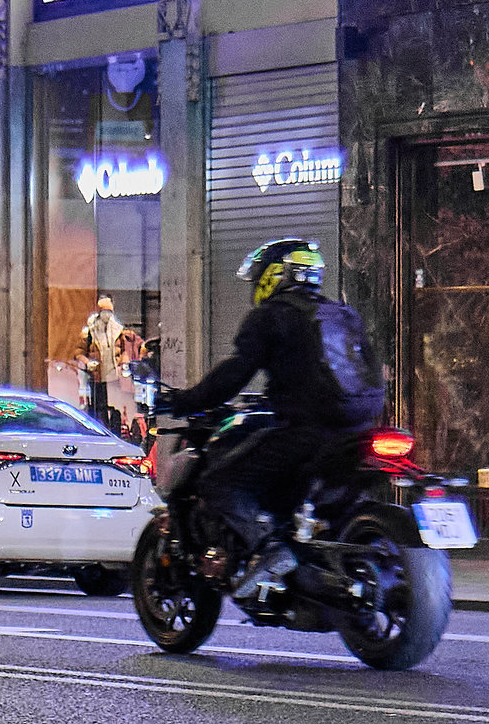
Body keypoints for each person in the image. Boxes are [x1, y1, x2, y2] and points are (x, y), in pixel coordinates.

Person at [161, 239, 385, 596]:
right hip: (359, 431)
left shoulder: (272, 316)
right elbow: (371, 370)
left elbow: (234, 373)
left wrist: (185, 401)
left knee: (220, 483)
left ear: (275, 275)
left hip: (306, 433)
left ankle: (268, 550)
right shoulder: (344, 315)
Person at [77, 294, 126, 428]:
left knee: (114, 405)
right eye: (105, 312)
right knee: (98, 404)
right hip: (96, 375)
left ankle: (112, 426)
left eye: (110, 312)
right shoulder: (89, 332)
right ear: (100, 313)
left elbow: (123, 351)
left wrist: (123, 364)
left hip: (114, 375)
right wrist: (88, 363)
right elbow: (79, 353)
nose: (108, 316)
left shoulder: (117, 331)